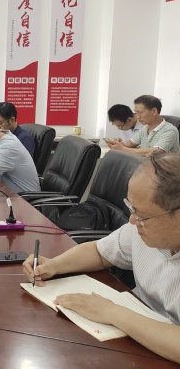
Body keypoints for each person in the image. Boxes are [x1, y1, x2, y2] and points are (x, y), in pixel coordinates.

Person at [23, 152, 180, 364]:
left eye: (141, 215)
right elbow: (99, 252)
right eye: (131, 209)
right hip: (137, 343)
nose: (132, 221)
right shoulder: (140, 230)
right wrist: (54, 265)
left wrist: (112, 312)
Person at [108, 95, 179, 155]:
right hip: (146, 164)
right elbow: (131, 143)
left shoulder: (170, 130)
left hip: (163, 167)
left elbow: (156, 151)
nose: (138, 117)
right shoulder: (145, 128)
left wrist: (122, 149)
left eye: (140, 112)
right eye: (136, 112)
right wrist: (118, 144)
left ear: (154, 111)